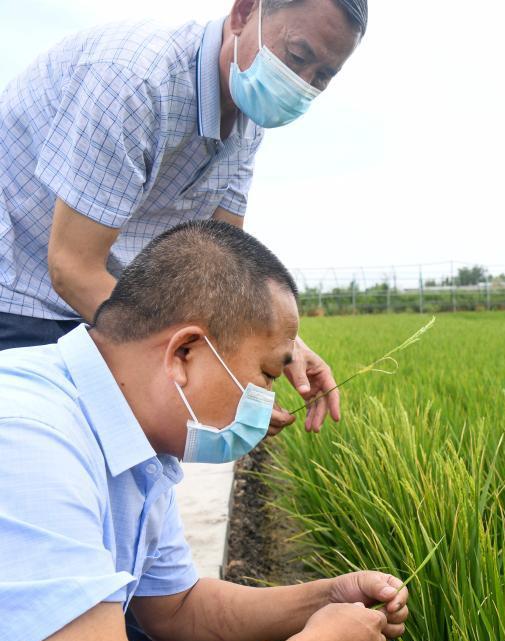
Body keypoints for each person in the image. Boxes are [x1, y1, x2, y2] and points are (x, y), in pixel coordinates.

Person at [0, 220, 409, 641]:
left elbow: (177, 608)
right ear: (184, 353)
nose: (268, 401)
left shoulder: (134, 439)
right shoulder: (30, 439)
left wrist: (325, 598)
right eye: (266, 373)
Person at [0, 0, 364, 432]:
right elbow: (72, 268)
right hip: (21, 288)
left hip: (102, 297)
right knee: (51, 458)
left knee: (132, 458)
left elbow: (225, 271)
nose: (301, 84)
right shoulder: (135, 80)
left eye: (322, 76)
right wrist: (214, 370)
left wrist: (286, 347)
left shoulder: (247, 117)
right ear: (244, 14)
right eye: (298, 56)